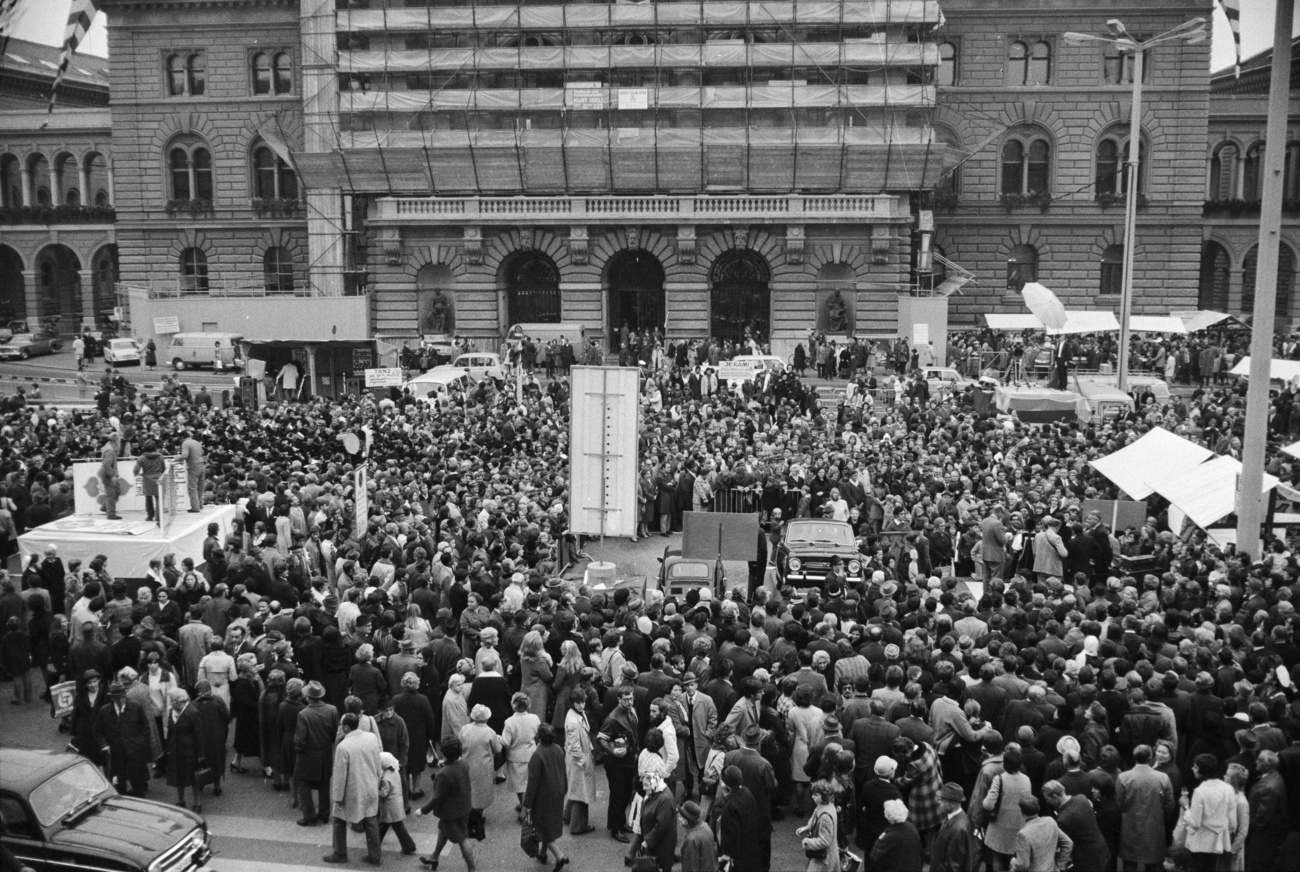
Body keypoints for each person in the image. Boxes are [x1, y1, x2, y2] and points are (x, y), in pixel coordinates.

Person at [323, 711, 383, 866]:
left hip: (352, 791)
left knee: (338, 820)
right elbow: (378, 762)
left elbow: (340, 776)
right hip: (370, 786)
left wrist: (337, 797)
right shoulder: (371, 738)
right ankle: (375, 856)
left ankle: (340, 853)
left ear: (347, 727)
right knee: (371, 820)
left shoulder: (343, 747)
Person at [415, 737, 476, 871]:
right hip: (463, 806)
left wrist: (422, 810)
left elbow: (437, 798)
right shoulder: (464, 763)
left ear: (444, 753)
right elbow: (455, 772)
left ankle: (472, 869)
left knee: (463, 839)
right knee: (443, 830)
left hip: (451, 812)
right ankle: (434, 857)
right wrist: (446, 765)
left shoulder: (444, 774)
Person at [1115, 743, 1174, 872]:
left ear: (1134, 757)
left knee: (1129, 865)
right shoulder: (1163, 778)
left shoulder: (1123, 778)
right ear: (1150, 757)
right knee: (1154, 866)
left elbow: (1118, 805)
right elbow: (1169, 805)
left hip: (1130, 828)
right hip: (1155, 828)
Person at [92, 680, 152, 797]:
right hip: (116, 754)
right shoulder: (104, 711)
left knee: (138, 784)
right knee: (119, 785)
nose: (120, 700)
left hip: (134, 753)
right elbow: (97, 731)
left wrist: (138, 744)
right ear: (112, 698)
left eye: (122, 697)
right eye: (117, 698)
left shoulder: (136, 708)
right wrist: (104, 745)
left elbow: (145, 729)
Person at [524, 722, 569, 872]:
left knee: (542, 827)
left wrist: (527, 804)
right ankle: (542, 853)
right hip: (558, 792)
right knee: (550, 823)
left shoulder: (537, 755)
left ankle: (560, 856)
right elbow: (563, 770)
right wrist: (565, 787)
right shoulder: (558, 749)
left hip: (543, 797)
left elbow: (532, 783)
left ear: (539, 737)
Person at [294, 680, 340, 826]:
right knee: (324, 783)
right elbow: (335, 734)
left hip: (307, 755)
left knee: (303, 783)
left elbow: (300, 740)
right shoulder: (332, 710)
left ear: (307, 697)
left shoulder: (304, 714)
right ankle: (324, 814)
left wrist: (298, 749)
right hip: (325, 754)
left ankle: (309, 815)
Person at [599, 683, 640, 843]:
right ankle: (615, 828)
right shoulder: (613, 718)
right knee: (617, 796)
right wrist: (612, 751)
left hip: (628, 761)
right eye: (626, 700)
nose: (629, 702)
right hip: (616, 764)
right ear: (619, 699)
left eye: (631, 699)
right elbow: (601, 739)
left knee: (625, 795)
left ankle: (621, 823)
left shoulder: (631, 712)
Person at [1183, 753, 1238, 872]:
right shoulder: (1228, 789)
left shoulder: (1200, 792)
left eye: (1195, 767)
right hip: (1217, 842)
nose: (1192, 768)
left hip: (1199, 842)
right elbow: (1233, 823)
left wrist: (1186, 808)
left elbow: (1195, 822)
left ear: (1202, 770)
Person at [1043, 779, 1109, 872]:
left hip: (1088, 860)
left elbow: (1062, 845)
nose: (1047, 802)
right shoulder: (1082, 798)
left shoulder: (1064, 819)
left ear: (1055, 796)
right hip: (1101, 850)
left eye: (1047, 799)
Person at [459, 703, 502, 841]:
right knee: (482, 790)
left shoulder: (464, 729)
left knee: (468, 789)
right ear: (486, 718)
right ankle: (478, 815)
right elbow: (498, 749)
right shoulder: (489, 732)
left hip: (466, 764)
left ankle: (467, 815)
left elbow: (459, 744)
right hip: (484, 766)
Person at [1245, 750, 1287, 872]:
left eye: (1259, 760)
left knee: (1258, 865)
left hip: (1261, 838)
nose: (1256, 762)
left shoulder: (1269, 787)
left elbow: (1261, 818)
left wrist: (1248, 828)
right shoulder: (1273, 776)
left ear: (1267, 765)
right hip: (1266, 836)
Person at [713, 765, 760, 871]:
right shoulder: (746, 792)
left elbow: (731, 836)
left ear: (726, 785)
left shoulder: (730, 806)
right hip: (750, 848)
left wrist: (726, 857)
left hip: (738, 858)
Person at [502, 691, 540, 818]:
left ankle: (524, 812)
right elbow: (538, 735)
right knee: (528, 784)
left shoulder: (509, 722)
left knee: (519, 786)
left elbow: (506, 741)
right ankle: (524, 805)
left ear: (513, 705)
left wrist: (497, 737)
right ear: (528, 704)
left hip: (515, 756)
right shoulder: (535, 718)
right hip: (531, 754)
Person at [563, 693, 596, 836]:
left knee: (575, 787)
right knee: (581, 793)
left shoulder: (577, 714)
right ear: (572, 703)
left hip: (580, 756)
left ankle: (567, 815)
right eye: (578, 703)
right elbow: (574, 746)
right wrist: (584, 762)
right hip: (578, 759)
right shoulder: (573, 721)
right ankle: (577, 826)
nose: (582, 706)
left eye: (583, 702)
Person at [1011, 796, 1073, 872]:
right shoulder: (1050, 821)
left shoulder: (1023, 834)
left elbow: (1024, 865)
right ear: (1038, 808)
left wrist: (1014, 865)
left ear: (1022, 812)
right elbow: (1068, 843)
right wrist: (1059, 865)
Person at [164, 687, 202, 810]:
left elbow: (199, 735)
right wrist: (168, 748)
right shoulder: (172, 712)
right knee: (178, 775)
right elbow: (170, 732)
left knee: (193, 778)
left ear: (179, 701)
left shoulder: (193, 713)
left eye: (172, 701)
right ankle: (181, 800)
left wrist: (201, 755)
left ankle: (197, 802)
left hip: (190, 751)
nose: (170, 704)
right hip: (176, 750)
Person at [377, 750, 419, 856]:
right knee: (395, 826)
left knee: (385, 826)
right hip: (396, 804)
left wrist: (376, 792)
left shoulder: (385, 777)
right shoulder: (394, 772)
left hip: (389, 806)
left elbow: (384, 793)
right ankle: (408, 846)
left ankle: (375, 844)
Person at [637, 768, 678, 872]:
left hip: (662, 845)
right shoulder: (655, 792)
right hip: (655, 842)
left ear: (654, 783)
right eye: (643, 785)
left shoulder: (664, 799)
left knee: (661, 867)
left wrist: (647, 840)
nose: (644, 788)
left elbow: (662, 826)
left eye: (647, 785)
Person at [931, 781, 977, 872]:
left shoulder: (958, 830)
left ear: (952, 804)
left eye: (942, 800)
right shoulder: (954, 816)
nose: (938, 802)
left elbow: (953, 866)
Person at [870, 798, 924, 872]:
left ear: (888, 815)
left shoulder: (888, 837)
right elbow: (920, 853)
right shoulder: (912, 828)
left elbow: (875, 857)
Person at [800, 778, 841, 872]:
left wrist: (807, 842)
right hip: (828, 855)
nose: (812, 797)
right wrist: (808, 826)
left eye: (816, 795)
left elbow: (824, 841)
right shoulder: (826, 805)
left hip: (824, 858)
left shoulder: (825, 817)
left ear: (824, 796)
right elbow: (815, 816)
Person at [678, 799, 716, 872]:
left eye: (680, 817)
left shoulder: (692, 839)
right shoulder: (705, 826)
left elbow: (690, 866)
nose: (678, 819)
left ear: (686, 820)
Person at [179, 429, 205, 512]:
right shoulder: (196, 442)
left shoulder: (185, 443)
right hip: (202, 464)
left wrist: (176, 458)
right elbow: (202, 451)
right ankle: (200, 505)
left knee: (192, 487)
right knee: (200, 487)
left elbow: (184, 455)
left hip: (193, 466)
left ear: (182, 437)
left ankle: (195, 507)